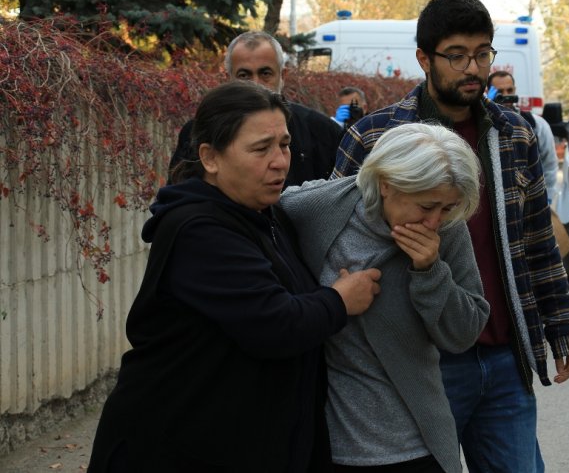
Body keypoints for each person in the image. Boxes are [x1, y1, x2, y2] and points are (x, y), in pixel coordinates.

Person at [331, 0, 569, 473]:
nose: (473, 68)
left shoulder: (515, 134)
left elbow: (537, 240)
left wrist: (562, 325)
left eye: (483, 54)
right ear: (424, 59)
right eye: (457, 56)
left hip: (504, 356)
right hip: (420, 362)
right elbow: (337, 241)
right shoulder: (375, 138)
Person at [88, 80, 381, 473]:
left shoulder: (264, 215)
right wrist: (340, 300)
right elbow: (275, 324)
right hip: (173, 447)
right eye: (261, 149)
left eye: (284, 145)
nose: (280, 162)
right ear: (210, 157)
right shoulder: (199, 230)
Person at [281, 122, 490, 472]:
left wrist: (430, 271)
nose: (435, 222)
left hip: (418, 444)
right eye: (426, 206)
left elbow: (464, 333)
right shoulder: (318, 208)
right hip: (328, 445)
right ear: (386, 184)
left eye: (448, 208)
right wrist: (333, 301)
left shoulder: (447, 231)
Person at [168, 31, 343, 186]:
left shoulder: (321, 132)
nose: (255, 84)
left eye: (265, 73)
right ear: (229, 78)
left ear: (283, 75)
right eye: (244, 75)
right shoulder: (199, 133)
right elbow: (177, 198)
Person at [487, 70, 560, 202]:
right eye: (500, 92)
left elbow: (549, 164)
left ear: (515, 90)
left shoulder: (536, 124)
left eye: (509, 90)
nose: (506, 95)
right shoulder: (483, 124)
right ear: (489, 92)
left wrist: (547, 197)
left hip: (529, 199)